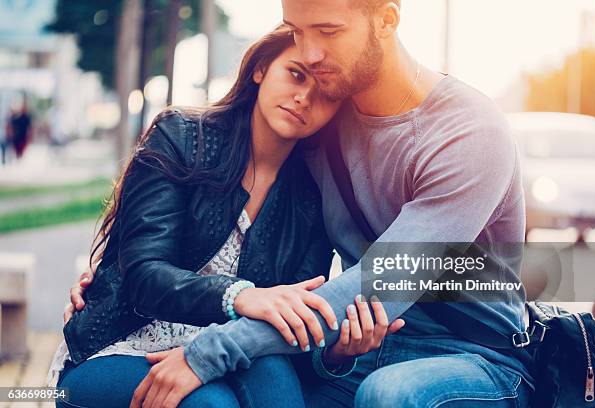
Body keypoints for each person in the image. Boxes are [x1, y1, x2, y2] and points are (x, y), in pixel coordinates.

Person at [68, 1, 534, 407]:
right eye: (296, 32)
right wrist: (113, 277)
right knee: (262, 384)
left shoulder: (469, 132)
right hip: (362, 349)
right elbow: (286, 289)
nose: (310, 54)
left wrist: (208, 352)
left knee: (388, 395)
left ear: (387, 20)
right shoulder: (323, 129)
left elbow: (376, 282)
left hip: (473, 353)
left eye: (327, 32)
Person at [54, 25, 403, 408]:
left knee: (273, 372)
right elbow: (144, 275)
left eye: (326, 92)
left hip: (228, 356)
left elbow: (292, 329)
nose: (304, 97)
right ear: (261, 69)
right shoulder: (182, 137)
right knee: (214, 404)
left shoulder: (313, 195)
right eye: (296, 74)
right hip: (120, 346)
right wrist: (241, 297)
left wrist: (337, 355)